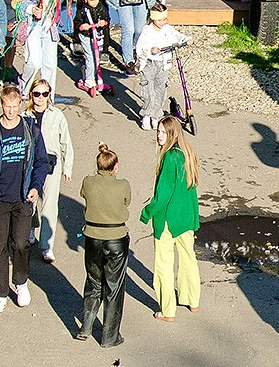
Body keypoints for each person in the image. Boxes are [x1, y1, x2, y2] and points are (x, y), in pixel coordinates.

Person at [0, 84, 54, 311]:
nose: (11, 111)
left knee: (20, 243)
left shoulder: (30, 130)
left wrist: (36, 186)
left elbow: (41, 162)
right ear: (2, 105)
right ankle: (0, 292)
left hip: (22, 198)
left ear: (20, 105)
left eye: (15, 107)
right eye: (7, 106)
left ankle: (21, 282)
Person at [143, 114, 201, 320]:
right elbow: (192, 189)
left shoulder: (169, 157)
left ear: (171, 134)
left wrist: (147, 212)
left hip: (168, 218)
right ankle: (192, 299)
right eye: (158, 131)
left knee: (163, 265)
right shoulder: (187, 152)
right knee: (188, 259)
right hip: (186, 216)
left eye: (162, 132)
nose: (158, 136)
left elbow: (163, 194)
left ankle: (167, 310)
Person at [77, 144, 132, 344]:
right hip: (116, 237)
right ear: (115, 167)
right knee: (113, 288)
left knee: (93, 282)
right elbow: (126, 202)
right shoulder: (122, 185)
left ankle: (86, 326)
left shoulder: (88, 182)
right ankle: (110, 336)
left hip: (92, 237)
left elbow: (84, 195)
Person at [11, 0, 69, 96]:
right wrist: (31, 9)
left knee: (49, 65)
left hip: (50, 25)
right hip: (33, 25)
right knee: (34, 62)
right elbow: (16, 1)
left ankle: (47, 96)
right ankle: (24, 88)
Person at [28, 76, 73, 263]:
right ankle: (30, 229)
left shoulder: (57, 115)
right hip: (30, 164)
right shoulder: (25, 116)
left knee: (49, 205)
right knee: (29, 201)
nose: (40, 97)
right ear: (31, 95)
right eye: (37, 93)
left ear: (49, 95)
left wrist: (68, 167)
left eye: (44, 94)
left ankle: (46, 245)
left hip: (51, 163)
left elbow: (66, 143)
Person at [133, 3, 189, 128]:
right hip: (149, 63)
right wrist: (150, 50)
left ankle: (156, 115)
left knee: (161, 89)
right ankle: (147, 115)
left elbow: (178, 36)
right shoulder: (147, 31)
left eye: (164, 19)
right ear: (153, 18)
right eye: (159, 19)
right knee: (148, 90)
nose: (162, 22)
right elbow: (140, 46)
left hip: (163, 64)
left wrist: (186, 39)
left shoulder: (168, 29)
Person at [73, 0, 110, 97]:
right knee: (90, 55)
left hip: (97, 34)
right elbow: (77, 22)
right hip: (86, 35)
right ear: (86, 0)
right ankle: (89, 79)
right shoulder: (83, 10)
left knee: (97, 56)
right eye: (91, 0)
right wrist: (82, 26)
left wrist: (104, 22)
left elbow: (106, 17)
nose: (94, 2)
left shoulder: (101, 8)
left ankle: (95, 75)